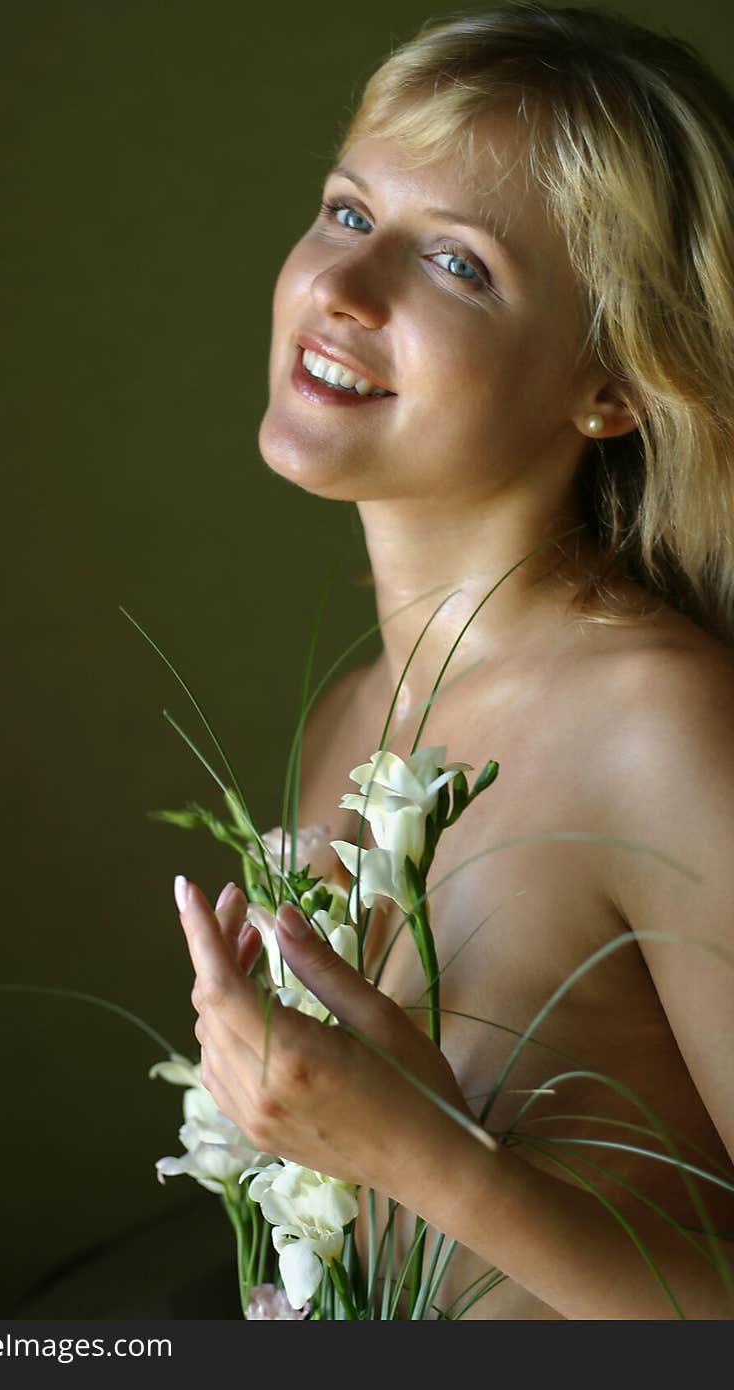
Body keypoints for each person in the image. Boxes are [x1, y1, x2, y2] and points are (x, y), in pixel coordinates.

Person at [173, 5, 734, 1318]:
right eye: (350, 211)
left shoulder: (661, 723)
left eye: (461, 265)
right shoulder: (346, 718)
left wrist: (431, 1156)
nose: (339, 287)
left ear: (613, 383)